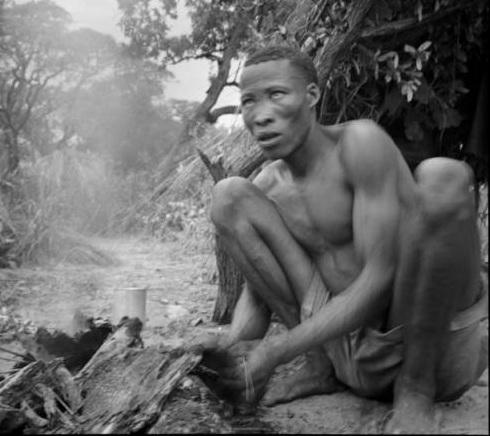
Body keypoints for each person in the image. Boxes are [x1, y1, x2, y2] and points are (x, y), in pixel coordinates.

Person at [195, 45, 487, 434]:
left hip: (429, 348)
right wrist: (229, 356)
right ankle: (321, 368)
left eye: (277, 95)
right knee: (230, 195)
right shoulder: (267, 188)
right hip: (348, 357)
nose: (261, 115)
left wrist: (279, 350)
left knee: (444, 177)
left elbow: (380, 278)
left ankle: (415, 392)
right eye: (249, 101)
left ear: (312, 96)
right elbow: (256, 297)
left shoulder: (359, 145)